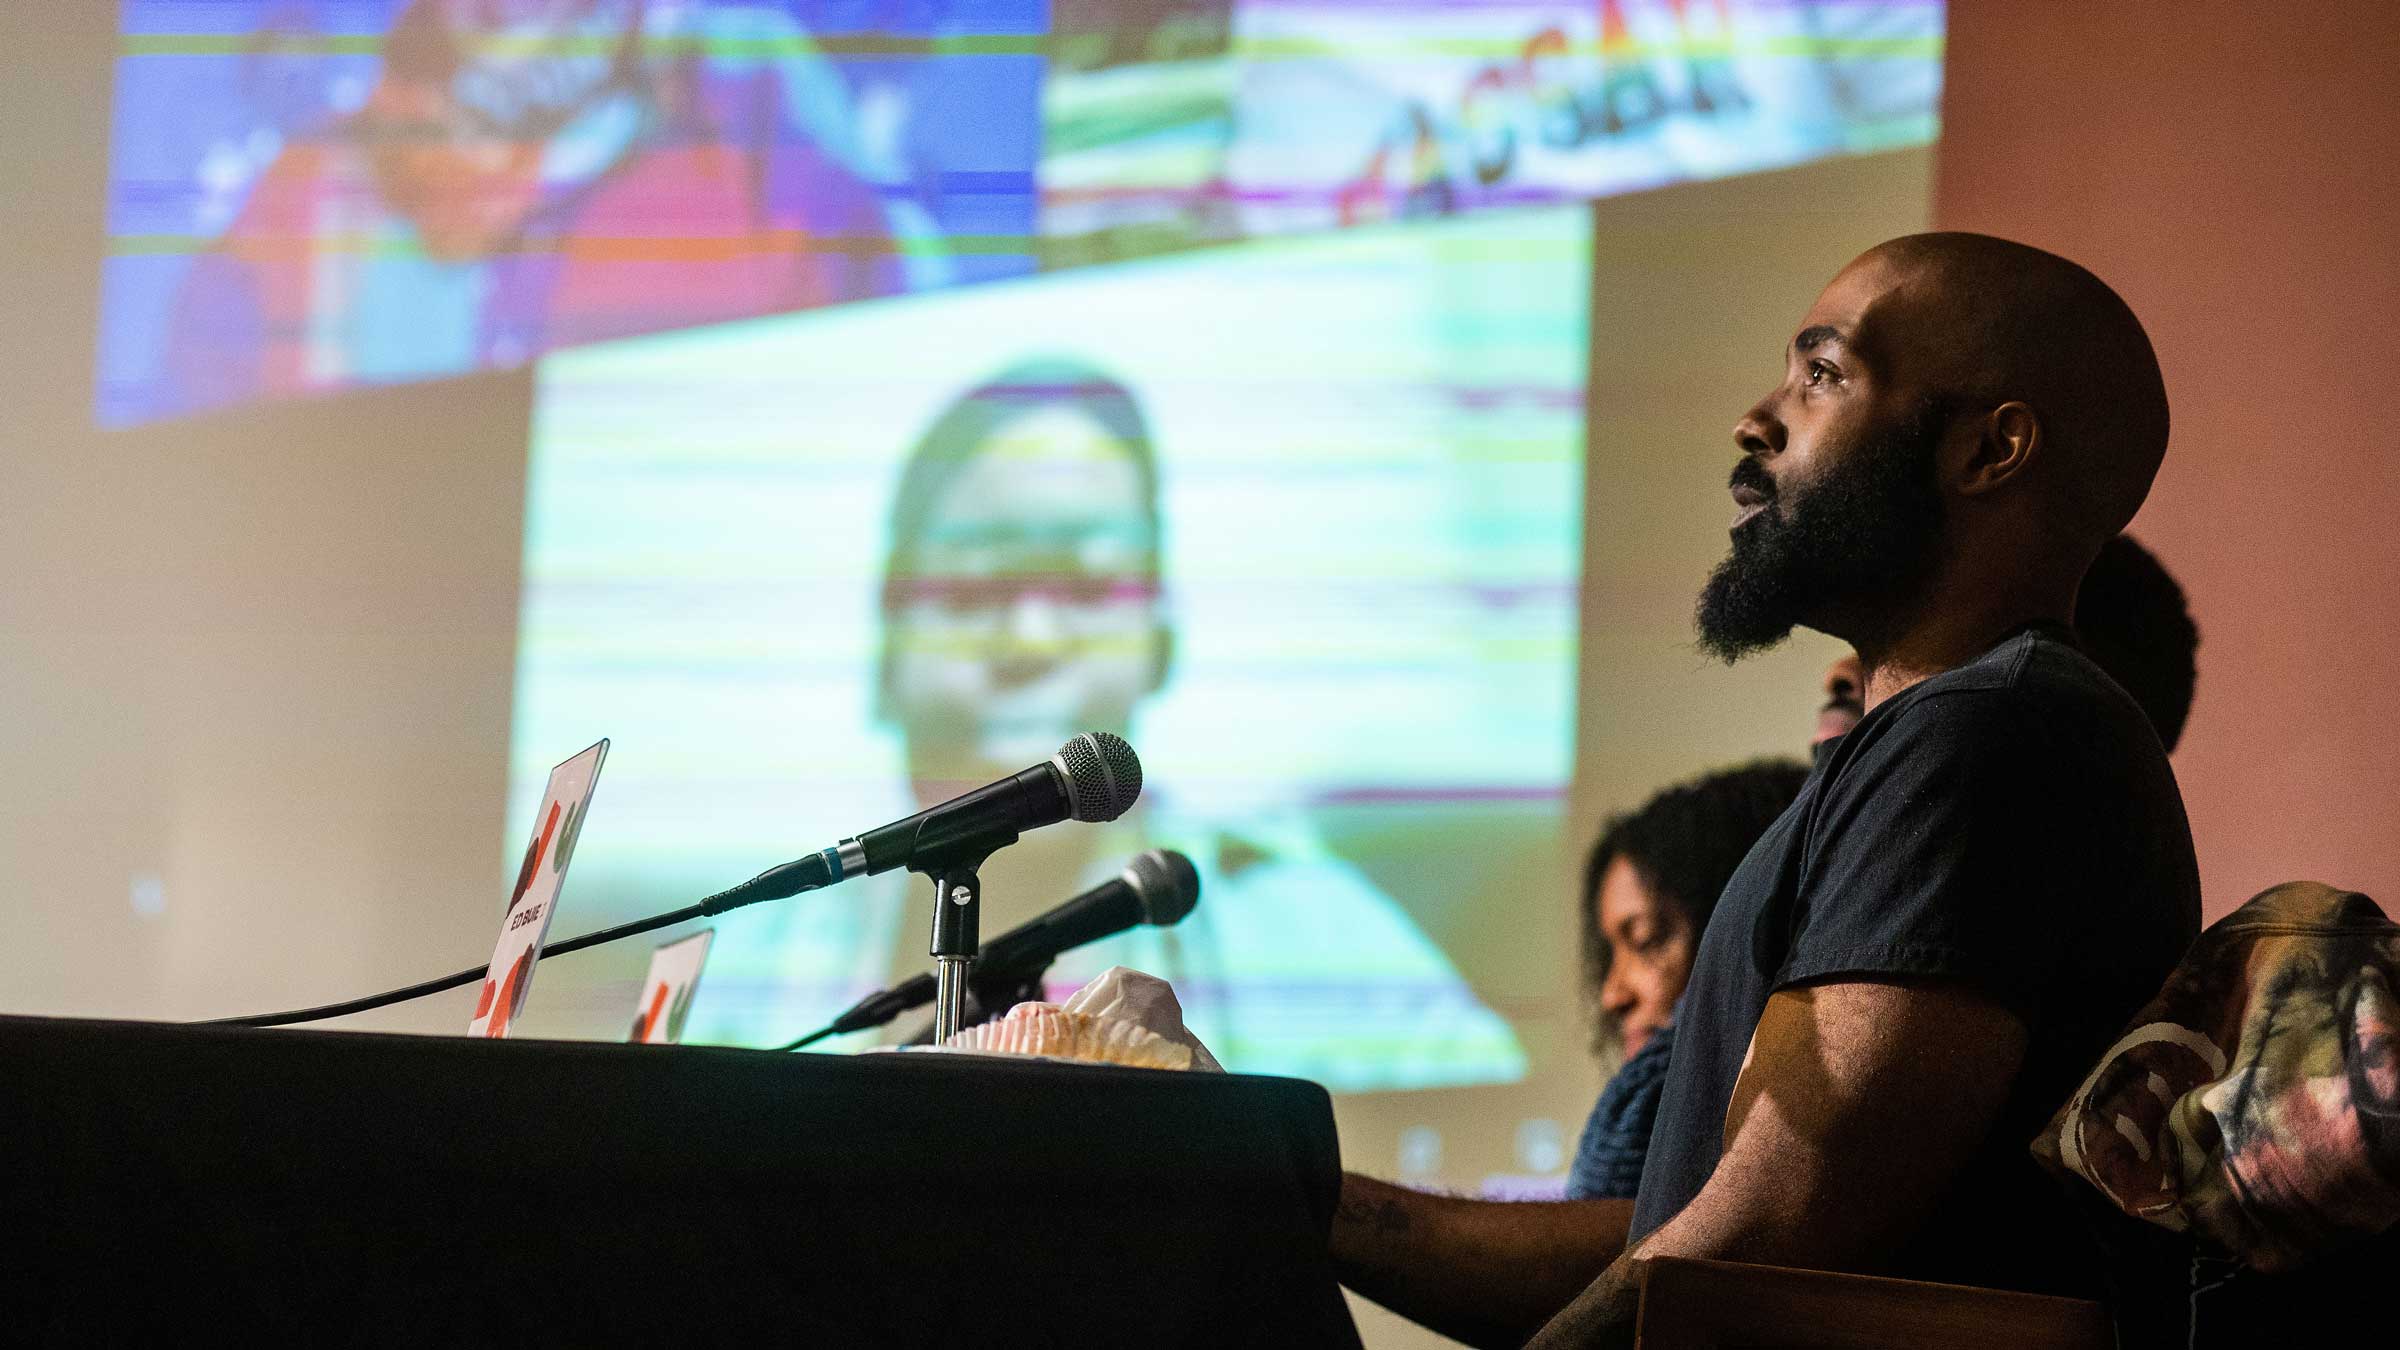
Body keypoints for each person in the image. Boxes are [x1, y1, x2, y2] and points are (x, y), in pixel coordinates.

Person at [1527, 232, 2201, 1347]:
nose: (1759, 420)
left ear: (1993, 451)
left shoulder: (1990, 733)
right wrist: (1283, 1179)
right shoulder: (1939, 735)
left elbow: (1764, 1242)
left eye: (1823, 374)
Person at [710, 357, 1526, 1091]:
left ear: (1161, 643)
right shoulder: (756, 958)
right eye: (976, 590)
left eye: (1086, 587)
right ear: (884, 649)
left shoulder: (1315, 931)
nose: (1030, 639)